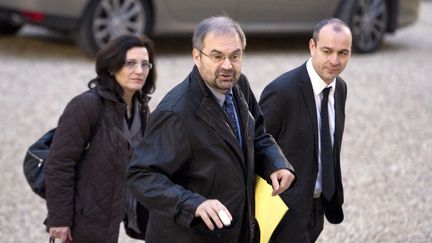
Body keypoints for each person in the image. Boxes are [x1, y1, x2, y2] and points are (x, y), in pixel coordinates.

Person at [127, 16, 296, 243]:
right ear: (197, 56)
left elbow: (256, 134)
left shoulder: (239, 85)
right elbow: (141, 176)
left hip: (236, 231)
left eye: (235, 56)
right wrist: (193, 204)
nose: (227, 65)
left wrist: (276, 163)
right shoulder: (175, 112)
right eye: (217, 56)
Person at [44, 34, 157, 243]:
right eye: (130, 63)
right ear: (112, 66)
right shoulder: (86, 106)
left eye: (145, 64)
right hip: (85, 219)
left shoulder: (142, 108)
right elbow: (59, 164)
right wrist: (59, 219)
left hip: (117, 212)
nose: (140, 71)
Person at [259, 18, 352, 242]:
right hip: (283, 210)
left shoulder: (340, 88)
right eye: (327, 51)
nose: (334, 61)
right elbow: (256, 145)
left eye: (343, 53)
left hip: (319, 205)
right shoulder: (281, 92)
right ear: (312, 47)